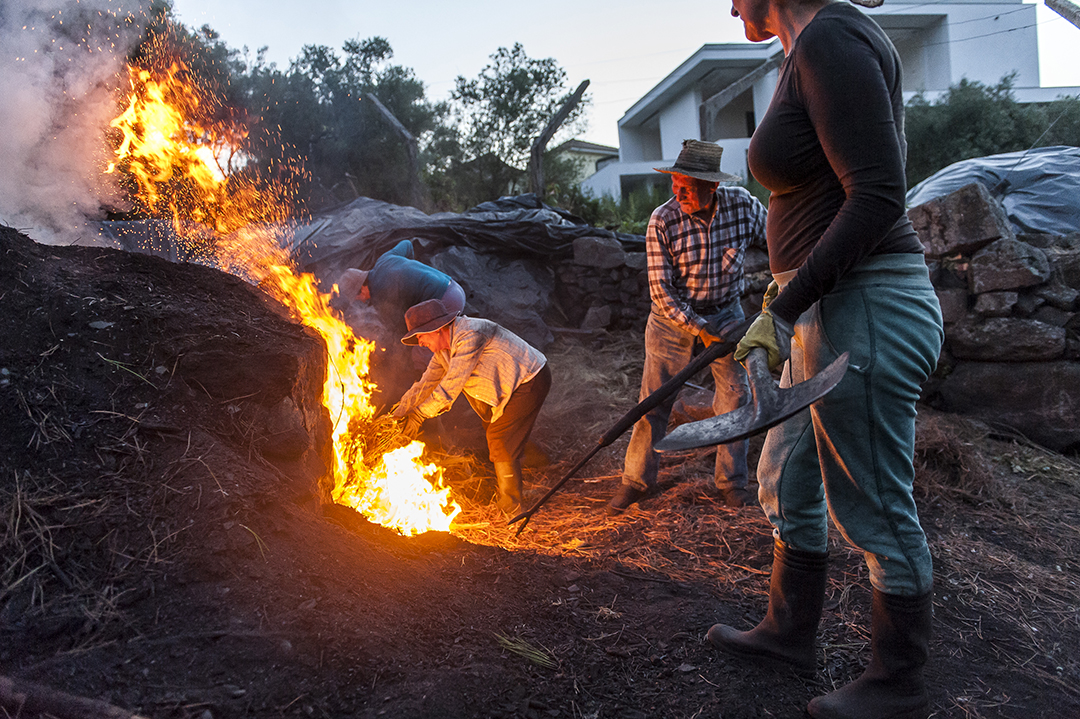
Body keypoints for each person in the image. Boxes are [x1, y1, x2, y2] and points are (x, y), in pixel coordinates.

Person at [706, 1, 944, 718]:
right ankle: (787, 631)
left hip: (864, 302)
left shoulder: (832, 37)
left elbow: (877, 195)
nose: (729, 4)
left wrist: (783, 306)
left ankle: (899, 683)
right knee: (784, 474)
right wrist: (786, 304)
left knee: (870, 498)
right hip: (820, 308)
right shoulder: (806, 47)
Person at [607, 139, 766, 514]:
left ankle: (731, 482)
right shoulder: (663, 220)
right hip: (671, 320)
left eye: (687, 187)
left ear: (712, 187)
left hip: (726, 313)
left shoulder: (743, 207)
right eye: (674, 184)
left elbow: (776, 240)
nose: (678, 193)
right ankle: (636, 481)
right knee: (655, 401)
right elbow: (662, 292)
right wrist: (699, 328)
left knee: (735, 397)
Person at [390, 299, 551, 516]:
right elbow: (424, 384)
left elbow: (449, 388)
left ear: (436, 329)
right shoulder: (442, 353)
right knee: (499, 431)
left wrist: (418, 416)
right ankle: (534, 467)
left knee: (499, 436)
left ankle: (511, 507)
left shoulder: (470, 335)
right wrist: (396, 415)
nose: (419, 342)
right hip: (508, 386)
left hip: (530, 378)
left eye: (420, 335)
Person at [332, 239, 466, 334]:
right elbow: (407, 244)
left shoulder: (380, 296)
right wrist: (410, 267)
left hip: (446, 302)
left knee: (423, 349)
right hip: (455, 287)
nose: (360, 301)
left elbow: (400, 329)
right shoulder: (384, 260)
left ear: (362, 288)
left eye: (357, 298)